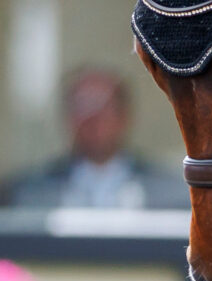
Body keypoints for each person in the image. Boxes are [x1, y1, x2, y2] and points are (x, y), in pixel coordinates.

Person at [12, 68, 183, 210]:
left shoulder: (168, 192)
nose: (93, 118)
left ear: (124, 116)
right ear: (67, 118)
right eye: (82, 106)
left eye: (103, 106)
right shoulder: (32, 191)